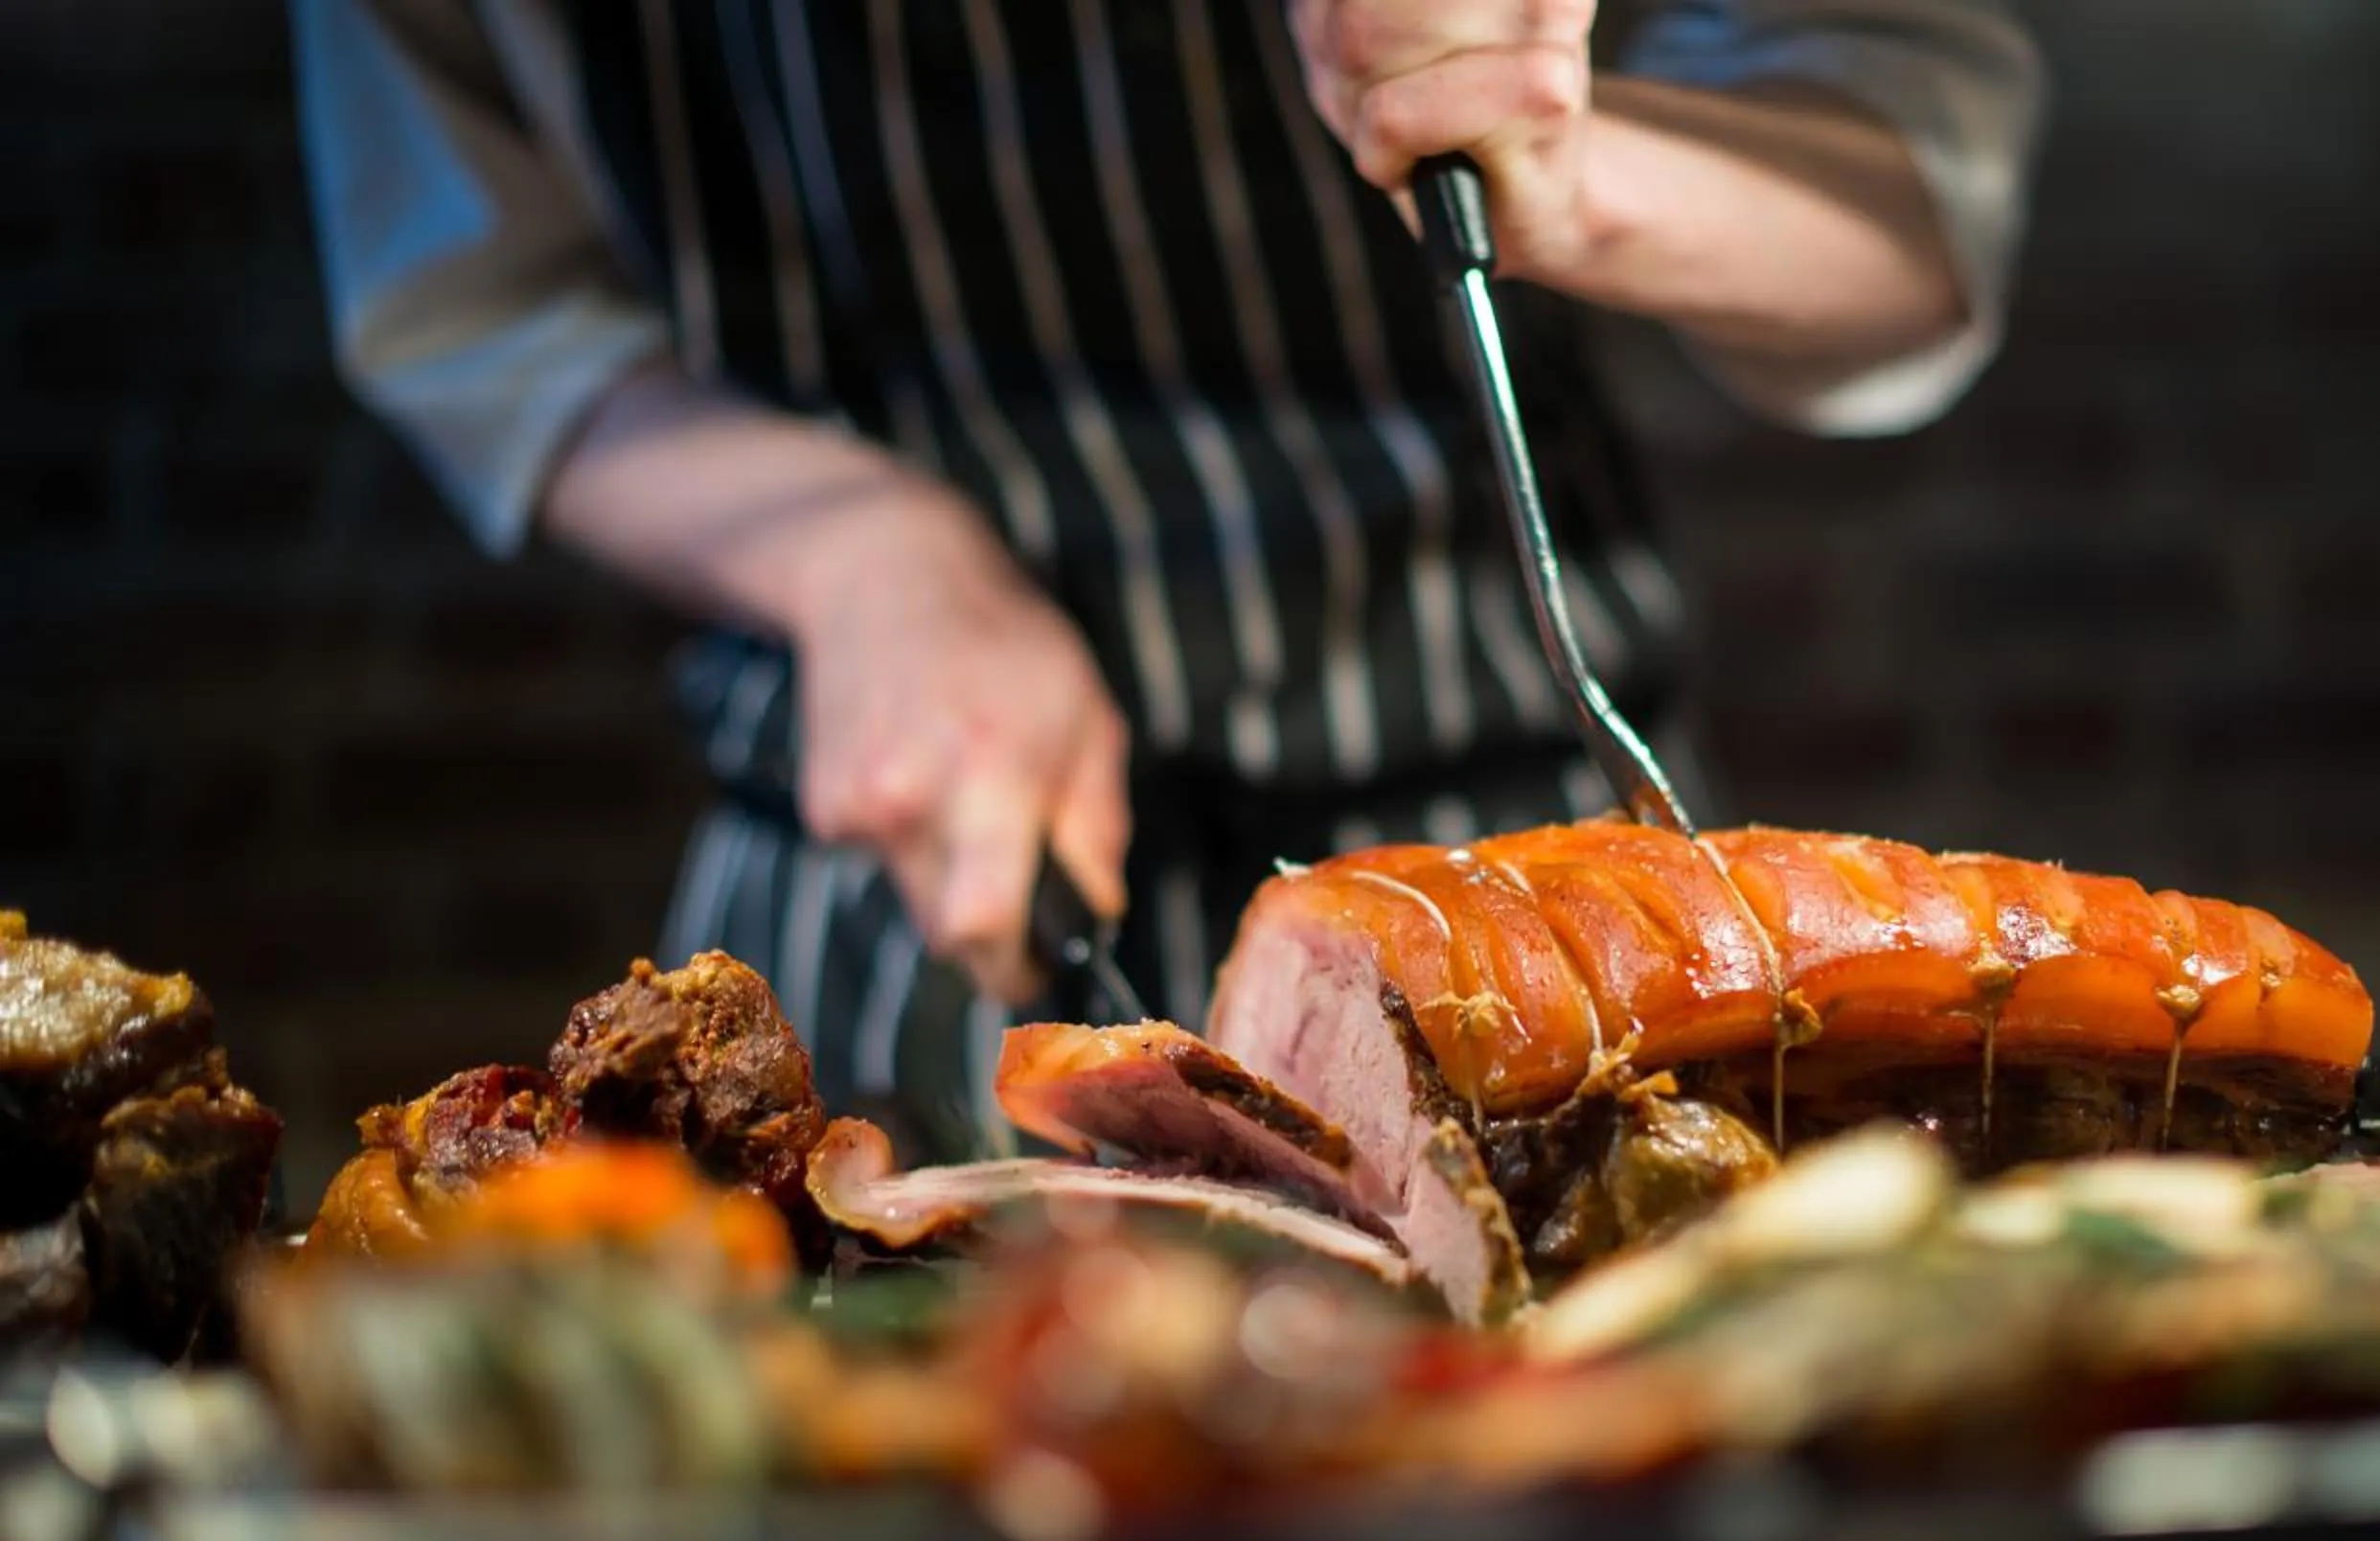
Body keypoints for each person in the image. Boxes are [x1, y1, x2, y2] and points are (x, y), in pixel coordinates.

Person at [290, 0, 2044, 1155]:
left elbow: (1907, 222)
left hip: (1545, 895)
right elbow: (478, 307)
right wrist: (843, 543)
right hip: (898, 921)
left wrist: (1560, 166)